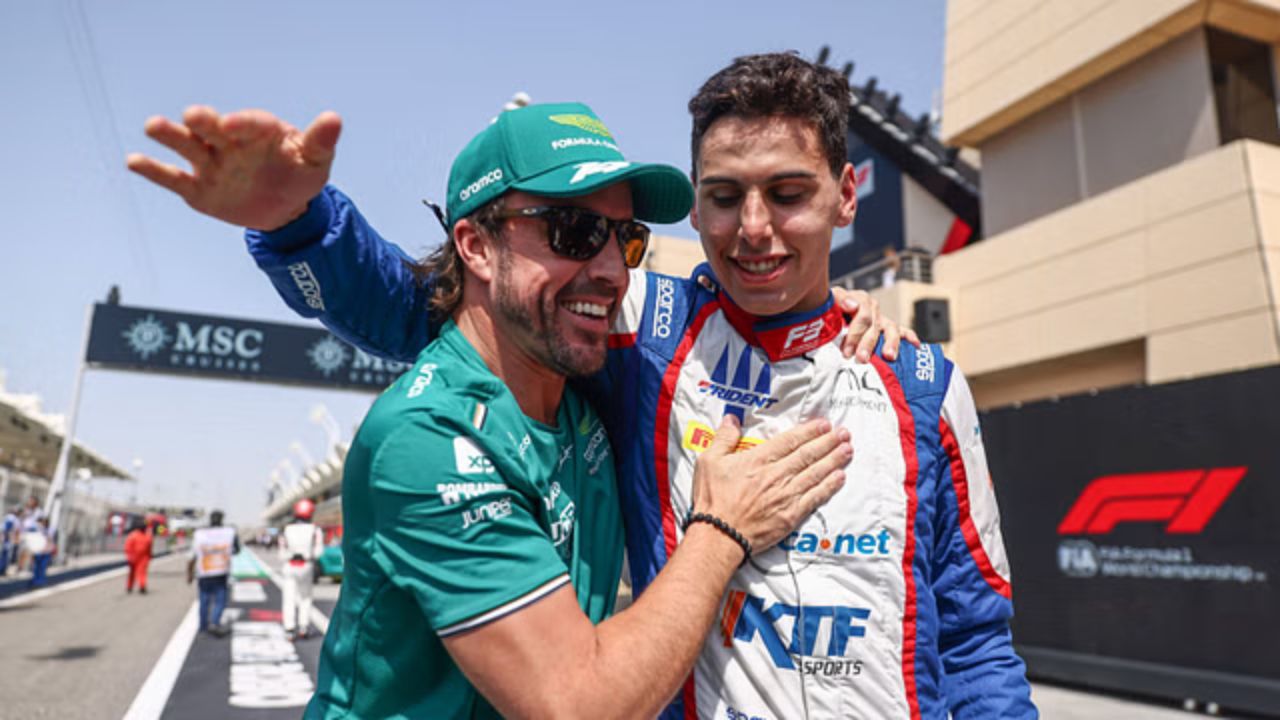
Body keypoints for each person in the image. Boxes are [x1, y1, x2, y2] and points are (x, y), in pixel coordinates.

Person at [129, 65, 1034, 718]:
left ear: (845, 197)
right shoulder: (643, 333)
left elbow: (977, 640)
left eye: (787, 194)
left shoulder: (921, 381)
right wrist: (303, 225)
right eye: (723, 197)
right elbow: (455, 313)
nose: (754, 229)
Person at [278, 498, 324, 640]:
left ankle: (289, 628)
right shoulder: (315, 530)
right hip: (306, 565)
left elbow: (281, 553)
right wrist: (307, 555)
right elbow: (319, 552)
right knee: (305, 598)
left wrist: (291, 555)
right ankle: (304, 626)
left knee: (289, 598)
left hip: (289, 565)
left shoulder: (286, 530)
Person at [188, 509, 239, 636]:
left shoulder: (200, 533)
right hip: (221, 572)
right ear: (222, 519)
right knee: (220, 600)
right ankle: (215, 622)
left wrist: (189, 573)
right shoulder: (229, 532)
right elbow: (237, 549)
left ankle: (203, 627)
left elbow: (192, 556)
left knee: (204, 600)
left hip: (204, 572)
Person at [124, 518, 153, 594]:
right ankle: (142, 586)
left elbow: (127, 547)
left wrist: (129, 555)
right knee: (142, 572)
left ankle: (130, 587)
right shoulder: (147, 536)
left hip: (134, 557)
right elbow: (149, 547)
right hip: (143, 557)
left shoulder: (133, 535)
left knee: (132, 573)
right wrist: (150, 556)